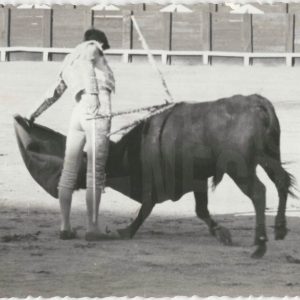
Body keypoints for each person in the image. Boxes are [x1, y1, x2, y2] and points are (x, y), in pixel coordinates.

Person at [27, 28, 115, 241]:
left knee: (68, 171)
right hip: (96, 111)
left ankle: (65, 226)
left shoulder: (68, 60)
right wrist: (94, 95)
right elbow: (87, 63)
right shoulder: (91, 47)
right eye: (105, 48)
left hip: (77, 115)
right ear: (100, 43)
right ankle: (92, 228)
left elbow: (54, 91)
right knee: (95, 173)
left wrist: (33, 113)